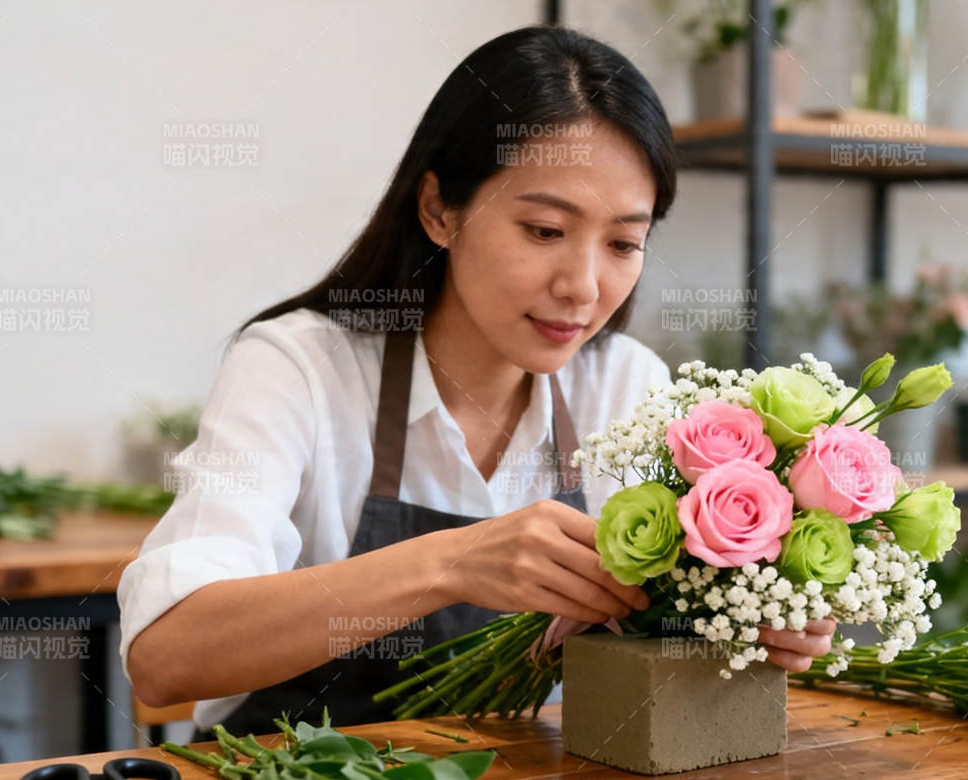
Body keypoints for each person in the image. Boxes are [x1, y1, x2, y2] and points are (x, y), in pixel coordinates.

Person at [119, 25, 835, 738]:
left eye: (622, 244)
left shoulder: (626, 387)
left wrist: (743, 625)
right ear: (439, 210)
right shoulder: (299, 369)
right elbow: (166, 655)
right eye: (545, 230)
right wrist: (454, 562)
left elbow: (649, 643)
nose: (583, 288)